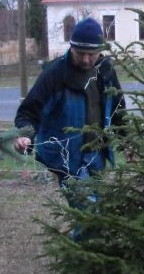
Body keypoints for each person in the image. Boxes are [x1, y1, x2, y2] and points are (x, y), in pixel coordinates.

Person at [14, 17, 126, 210]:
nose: (85, 59)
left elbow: (118, 109)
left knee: (97, 210)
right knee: (88, 212)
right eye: (80, 53)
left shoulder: (106, 71)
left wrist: (127, 141)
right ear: (71, 48)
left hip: (97, 153)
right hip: (67, 157)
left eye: (91, 54)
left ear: (100, 51)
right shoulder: (55, 74)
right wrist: (25, 136)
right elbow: (28, 111)